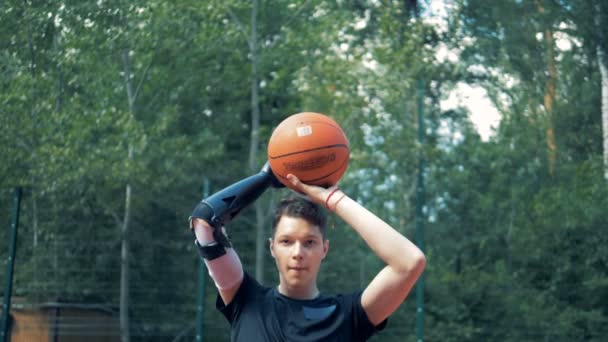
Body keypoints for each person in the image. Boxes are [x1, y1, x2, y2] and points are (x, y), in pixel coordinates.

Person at [190, 173, 426, 341]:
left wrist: (333, 199)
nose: (297, 253)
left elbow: (409, 262)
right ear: (272, 248)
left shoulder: (348, 316)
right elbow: (204, 222)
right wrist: (267, 178)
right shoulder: (246, 301)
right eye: (286, 241)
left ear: (324, 249)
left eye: (309, 242)